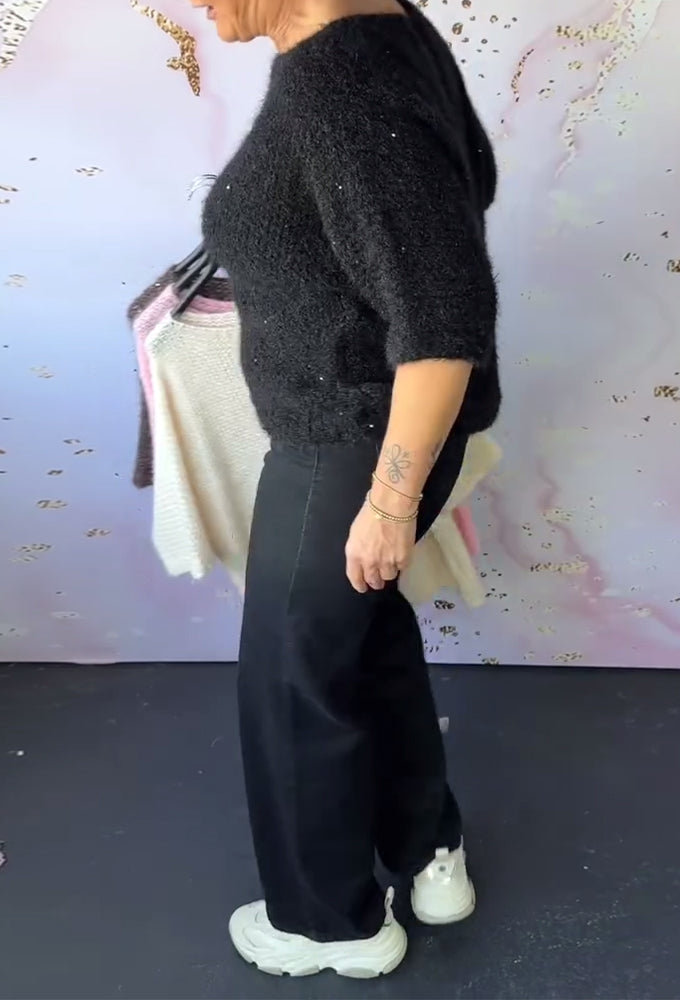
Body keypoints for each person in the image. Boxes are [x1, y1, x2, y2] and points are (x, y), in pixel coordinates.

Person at [192, 0, 500, 978]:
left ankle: (329, 924)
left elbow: (442, 321)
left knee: (292, 679)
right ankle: (427, 847)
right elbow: (453, 195)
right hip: (365, 431)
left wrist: (388, 502)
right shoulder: (382, 27)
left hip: (350, 445)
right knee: (364, 640)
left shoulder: (342, 82)